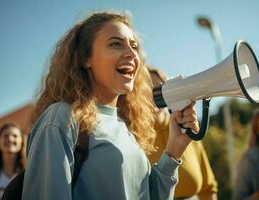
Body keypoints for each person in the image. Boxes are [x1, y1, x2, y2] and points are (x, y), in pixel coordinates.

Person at [22, 11, 199, 200]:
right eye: (116, 44)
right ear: (85, 58)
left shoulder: (126, 125)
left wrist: (174, 149)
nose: (132, 54)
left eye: (134, 46)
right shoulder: (61, 119)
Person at [147, 67, 218, 200]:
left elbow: (208, 188)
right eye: (145, 87)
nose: (152, 93)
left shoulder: (186, 130)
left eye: (158, 87)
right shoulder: (132, 136)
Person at [0, 123, 26, 200]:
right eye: (5, 136)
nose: (10, 139)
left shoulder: (29, 170)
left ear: (22, 141)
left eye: (15, 136)